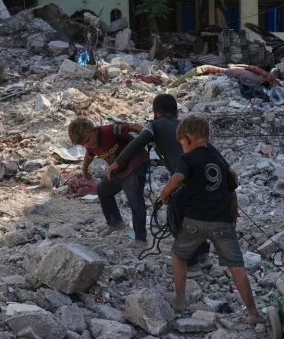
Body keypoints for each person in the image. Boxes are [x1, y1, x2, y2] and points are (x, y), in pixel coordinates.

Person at [159, 115, 260, 324]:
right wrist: (233, 219)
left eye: (181, 144)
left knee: (179, 255)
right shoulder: (220, 161)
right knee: (236, 266)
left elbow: (177, 179)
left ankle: (179, 300)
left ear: (186, 139)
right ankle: (252, 312)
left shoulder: (187, 159)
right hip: (222, 221)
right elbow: (232, 193)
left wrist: (164, 195)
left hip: (194, 221)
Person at [112, 94, 213, 276]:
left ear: (155, 112)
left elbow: (137, 143)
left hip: (184, 178)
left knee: (177, 219)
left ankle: (190, 265)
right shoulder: (186, 128)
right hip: (207, 176)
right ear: (176, 111)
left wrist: (116, 163)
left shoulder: (155, 125)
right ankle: (204, 255)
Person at [69, 117, 149, 243]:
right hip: (118, 170)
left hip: (136, 163)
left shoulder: (110, 131)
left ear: (94, 131)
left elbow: (133, 126)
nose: (88, 144)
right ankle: (115, 223)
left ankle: (140, 238)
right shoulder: (90, 145)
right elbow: (88, 158)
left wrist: (148, 136)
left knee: (135, 200)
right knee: (103, 189)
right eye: (84, 143)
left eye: (88, 140)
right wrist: (85, 173)